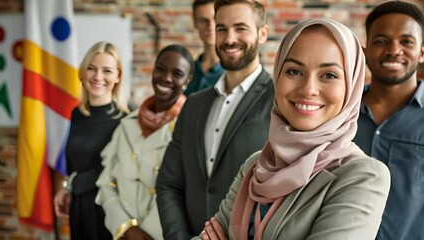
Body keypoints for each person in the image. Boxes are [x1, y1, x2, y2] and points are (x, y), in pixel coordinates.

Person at [197, 18, 391, 240]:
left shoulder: (363, 176)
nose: (308, 89)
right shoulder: (254, 166)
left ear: (351, 86)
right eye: (294, 71)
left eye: (329, 75)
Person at [156, 0, 274, 238]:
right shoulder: (193, 104)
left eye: (241, 28)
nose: (229, 39)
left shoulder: (280, 102)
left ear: (262, 34)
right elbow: (168, 183)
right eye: (222, 29)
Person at [95, 44, 194, 240]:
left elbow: (187, 192)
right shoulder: (127, 125)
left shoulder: (190, 128)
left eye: (177, 73)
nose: (166, 78)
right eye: (161, 69)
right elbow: (106, 184)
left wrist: (146, 233)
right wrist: (125, 227)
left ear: (187, 81)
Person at [353, 1, 424, 239]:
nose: (394, 50)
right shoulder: (339, 113)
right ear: (365, 50)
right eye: (381, 41)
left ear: (422, 51)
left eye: (406, 41)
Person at [53, 41, 129, 240]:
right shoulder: (76, 114)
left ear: (118, 76)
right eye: (92, 69)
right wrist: (67, 188)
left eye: (107, 70)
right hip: (79, 210)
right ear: (83, 73)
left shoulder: (125, 119)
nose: (98, 77)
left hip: (110, 212)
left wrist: (73, 183)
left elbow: (114, 170)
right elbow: (76, 163)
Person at [184, 0, 224, 96]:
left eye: (215, 19)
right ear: (195, 22)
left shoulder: (233, 72)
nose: (210, 26)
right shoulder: (188, 71)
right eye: (203, 21)